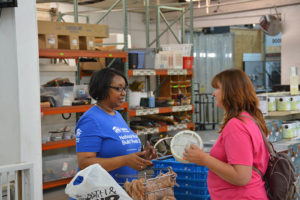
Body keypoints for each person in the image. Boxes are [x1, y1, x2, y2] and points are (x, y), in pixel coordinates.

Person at [183, 68, 270, 199]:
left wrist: (204, 159)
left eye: (217, 88)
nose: (213, 94)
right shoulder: (249, 119)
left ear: (230, 92)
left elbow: (241, 177)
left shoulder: (236, 125)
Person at [75, 68, 155, 185]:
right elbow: (84, 164)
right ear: (102, 88)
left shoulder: (116, 115)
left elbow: (121, 151)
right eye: (118, 89)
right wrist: (125, 160)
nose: (123, 93)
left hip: (122, 190)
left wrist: (142, 156)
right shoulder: (91, 119)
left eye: (124, 89)